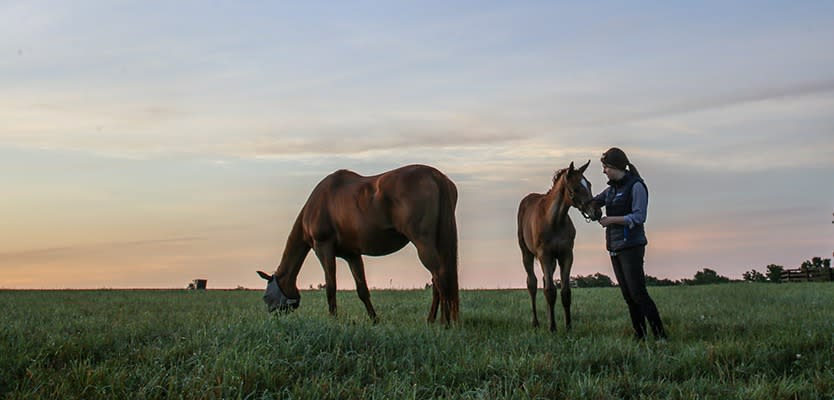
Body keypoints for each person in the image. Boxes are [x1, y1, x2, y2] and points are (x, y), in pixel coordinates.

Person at [592, 147, 667, 340]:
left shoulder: (636, 186)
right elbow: (593, 202)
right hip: (614, 247)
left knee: (638, 293)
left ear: (615, 166)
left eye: (606, 167)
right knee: (628, 295)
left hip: (632, 246)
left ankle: (660, 335)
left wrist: (612, 220)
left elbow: (639, 216)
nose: (604, 171)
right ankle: (639, 335)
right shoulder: (610, 190)